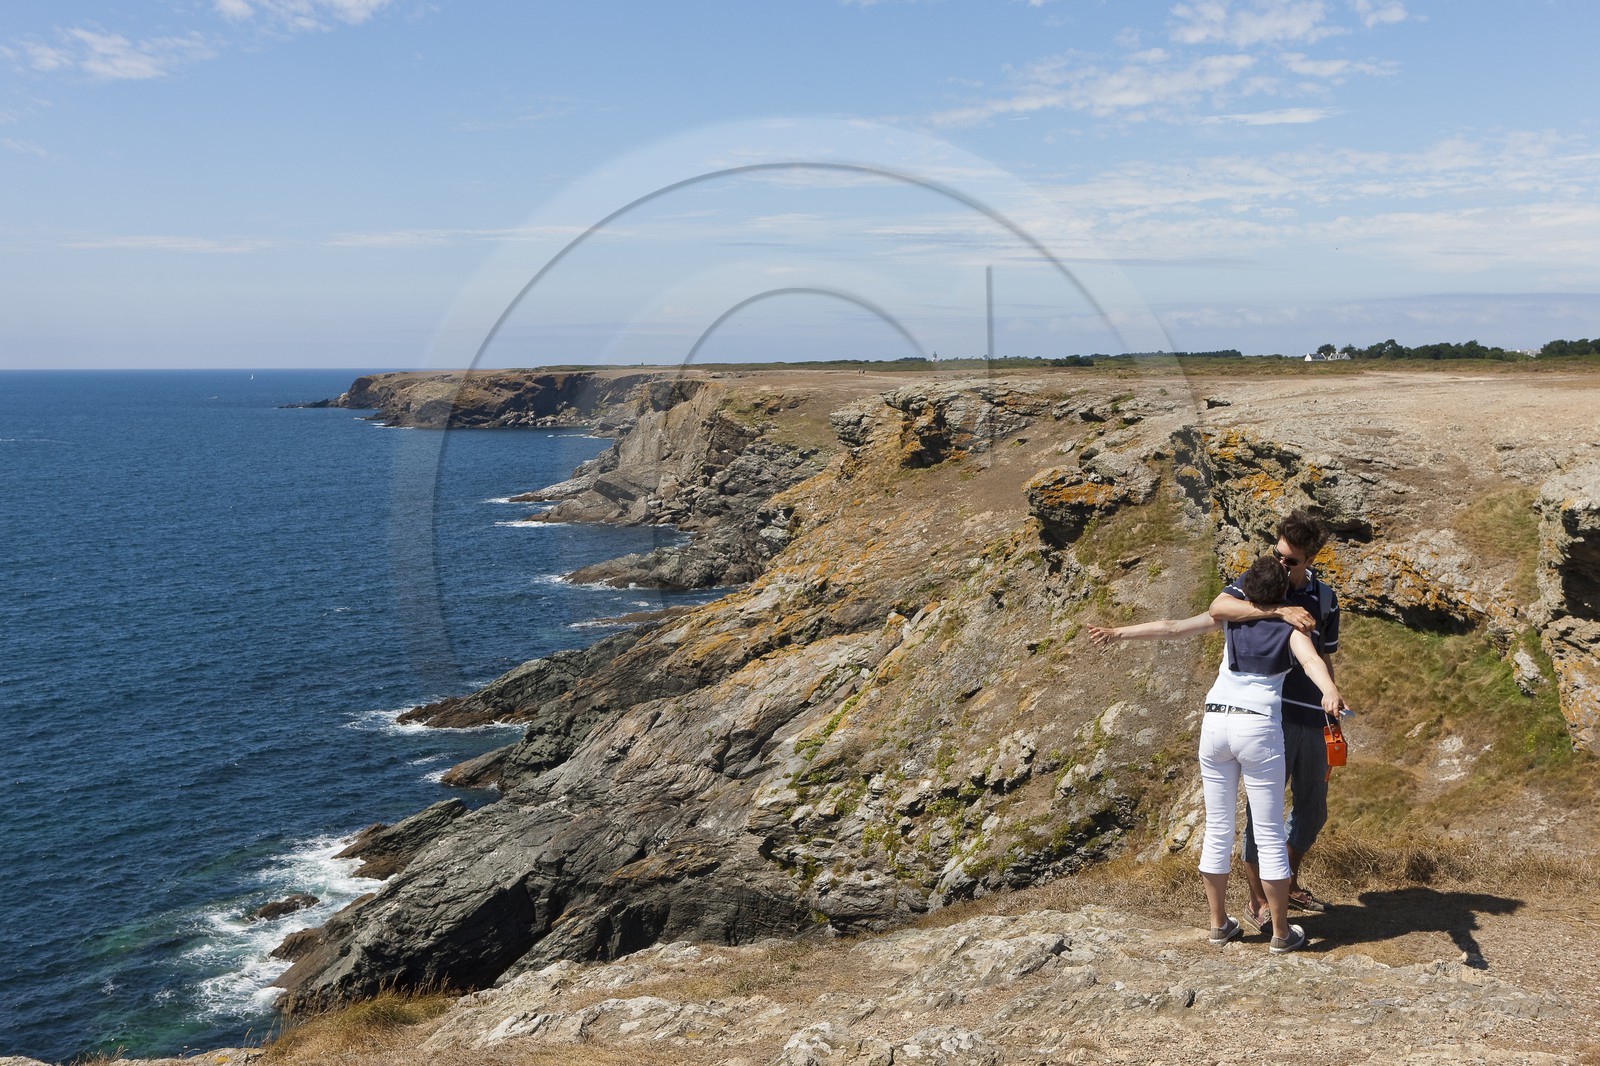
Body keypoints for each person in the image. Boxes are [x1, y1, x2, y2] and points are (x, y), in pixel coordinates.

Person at [1088, 555, 1343, 954]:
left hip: (1215, 724)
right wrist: (1328, 690)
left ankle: (1219, 924)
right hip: (1257, 728)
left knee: (1219, 827)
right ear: (1281, 593)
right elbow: (1312, 662)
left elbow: (1172, 628)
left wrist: (1118, 632)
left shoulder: (1230, 619)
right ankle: (1280, 933)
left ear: (1247, 589)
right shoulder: (1291, 627)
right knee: (1271, 831)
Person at [1208, 511, 1344, 931]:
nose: (1282, 565)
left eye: (1291, 561)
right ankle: (1259, 904)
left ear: (1309, 561)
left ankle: (1286, 882)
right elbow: (1219, 607)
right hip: (1267, 717)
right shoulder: (1260, 584)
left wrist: (1333, 714)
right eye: (1279, 555)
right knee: (1260, 817)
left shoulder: (1325, 598)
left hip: (1311, 716)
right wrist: (1281, 610)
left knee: (1313, 809)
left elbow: (1323, 658)